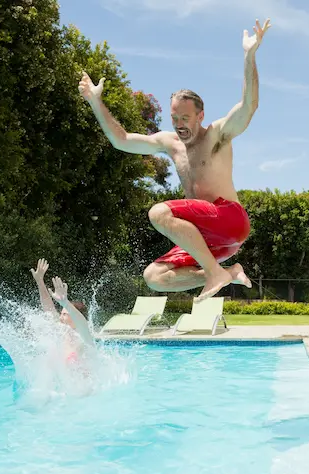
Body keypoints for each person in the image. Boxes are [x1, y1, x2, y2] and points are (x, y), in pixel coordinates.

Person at [78, 18, 272, 302]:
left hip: (229, 219)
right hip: (208, 239)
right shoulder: (169, 143)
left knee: (159, 213)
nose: (180, 124)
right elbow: (121, 140)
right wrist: (96, 102)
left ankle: (214, 272)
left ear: (200, 116)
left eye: (186, 118)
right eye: (175, 118)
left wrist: (249, 56)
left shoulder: (217, 135)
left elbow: (248, 106)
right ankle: (224, 272)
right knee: (154, 278)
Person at [30, 258, 95, 362]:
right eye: (61, 313)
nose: (60, 317)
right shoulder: (63, 333)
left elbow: (81, 321)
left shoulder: (84, 337)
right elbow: (49, 309)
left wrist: (65, 303)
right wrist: (40, 281)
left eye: (65, 314)